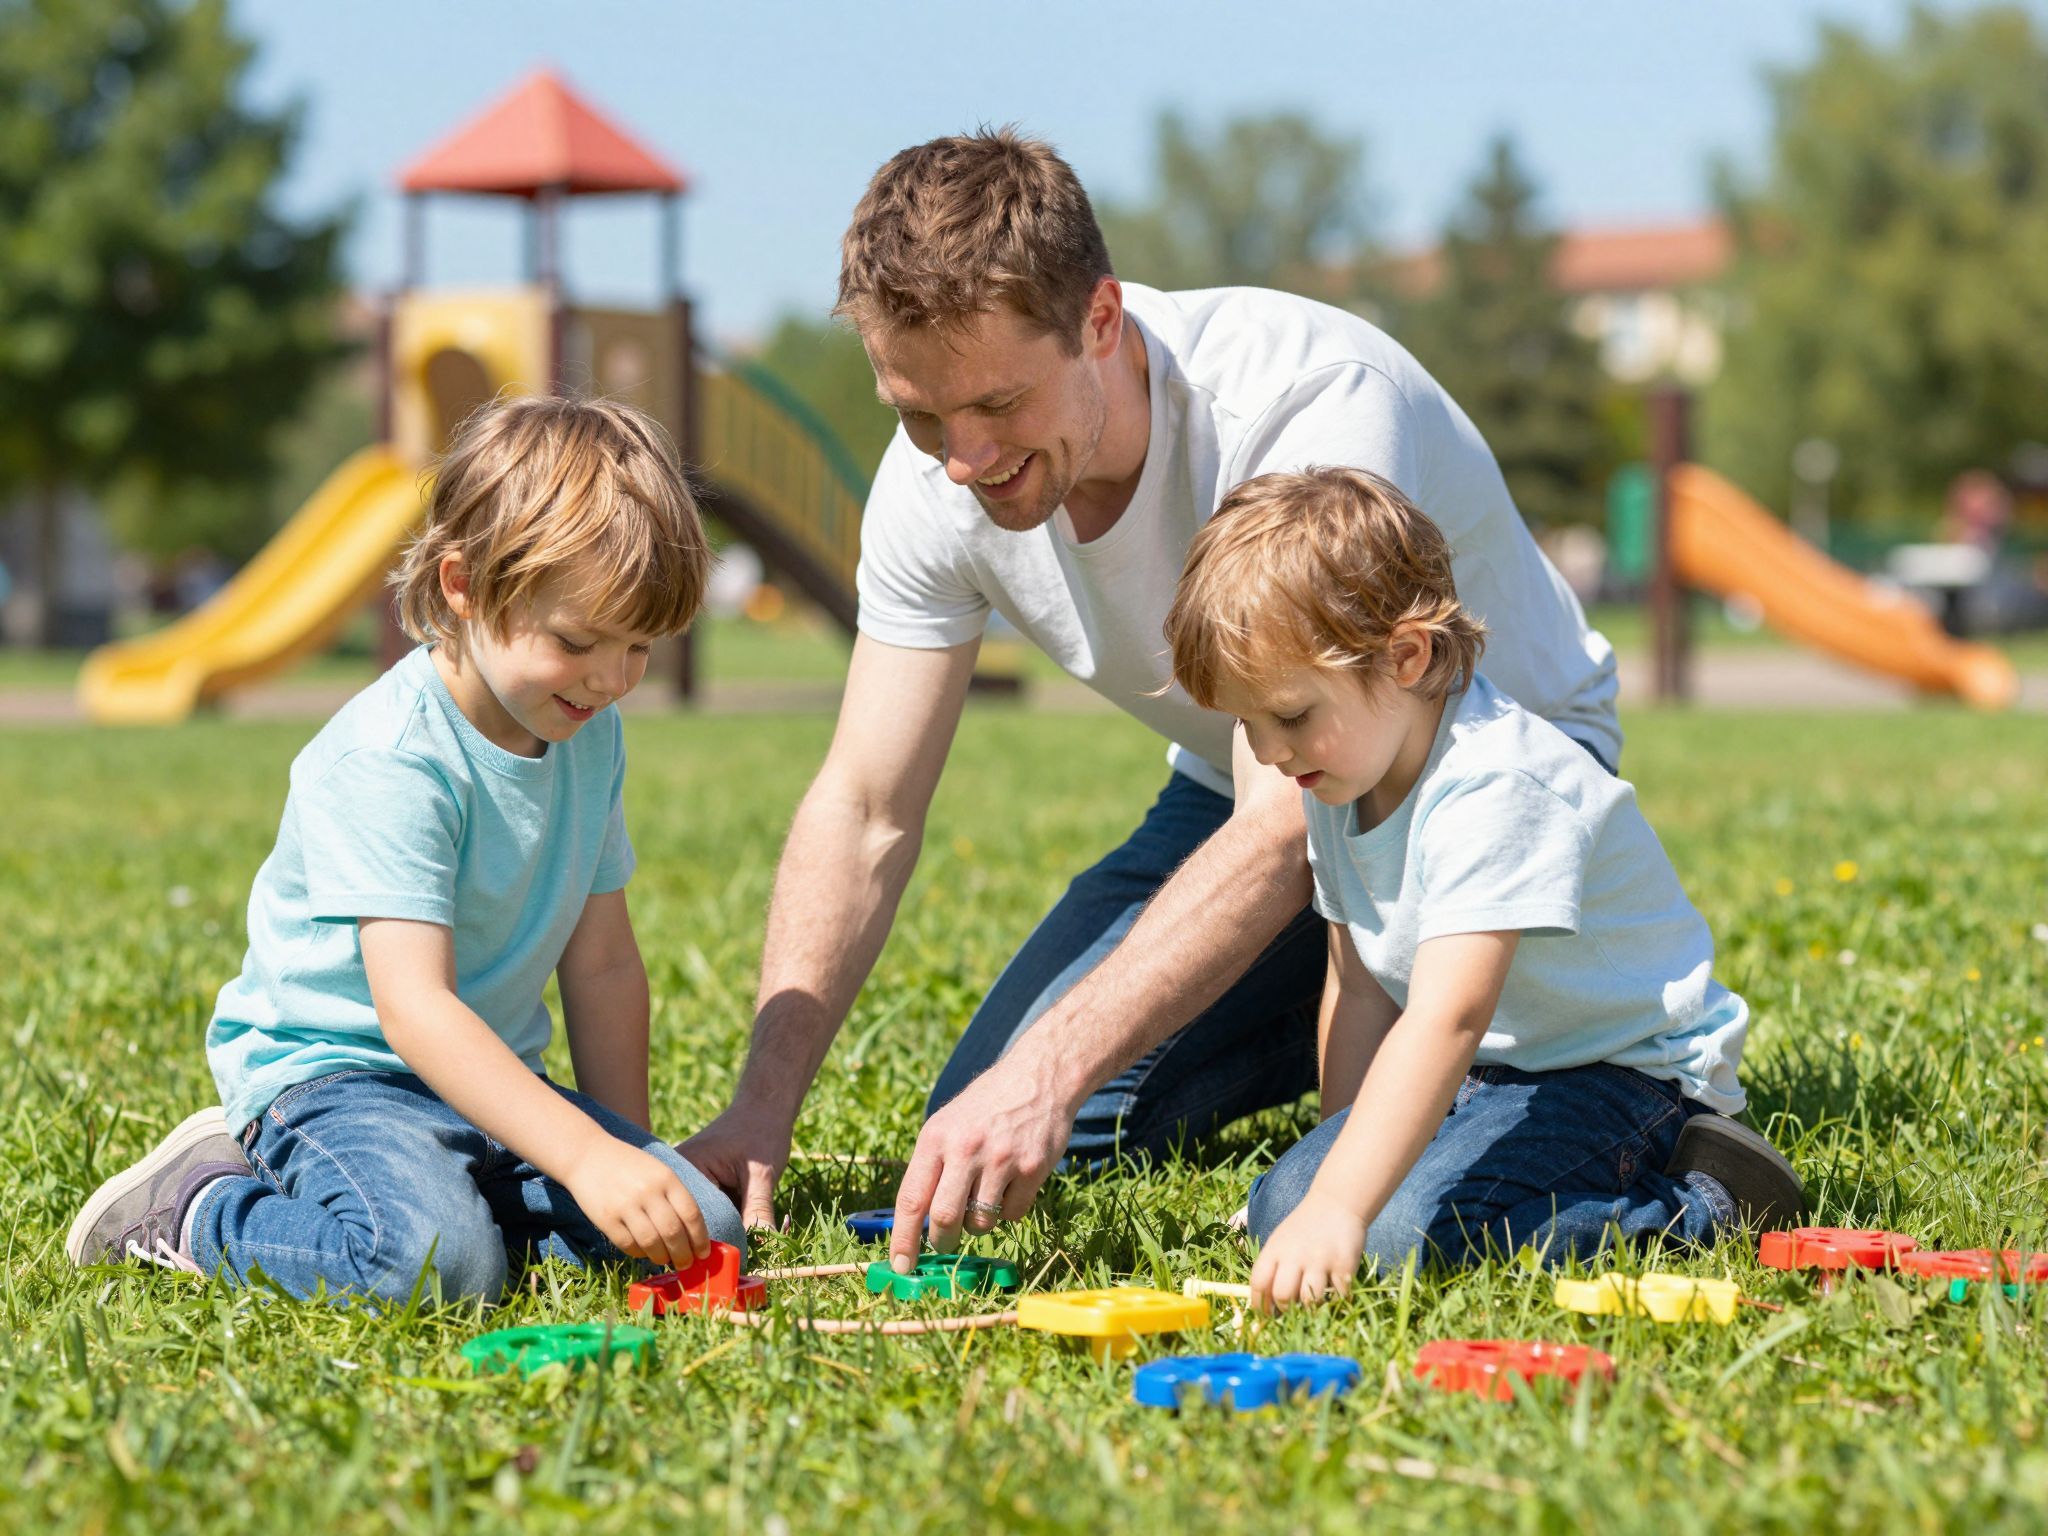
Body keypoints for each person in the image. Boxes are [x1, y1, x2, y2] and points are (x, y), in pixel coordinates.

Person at [682, 128, 1630, 1271]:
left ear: (1100, 319)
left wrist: (1053, 1067)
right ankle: (1365, 1054)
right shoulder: (930, 481)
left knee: (1046, 1088)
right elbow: (865, 806)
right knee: (987, 1120)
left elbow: (1289, 819)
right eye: (919, 414)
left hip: (1473, 789)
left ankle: (1514, 1067)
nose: (962, 461)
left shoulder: (1305, 406)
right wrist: (760, 1108)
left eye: (996, 403)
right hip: (1250, 780)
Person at [66, 396, 743, 1302]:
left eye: (640, 648)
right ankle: (197, 1207)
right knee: (434, 1267)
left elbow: (605, 966)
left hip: (492, 1082)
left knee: (706, 1229)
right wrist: (584, 1158)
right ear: (464, 586)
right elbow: (415, 1010)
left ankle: (461, 1206)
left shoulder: (588, 732)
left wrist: (628, 1160)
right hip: (340, 1082)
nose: (612, 680)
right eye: (578, 640)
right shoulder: (391, 757)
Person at [1160, 466, 1804, 1308]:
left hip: (1621, 1073)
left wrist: (1345, 1206)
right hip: (1493, 1072)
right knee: (1288, 1202)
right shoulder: (1338, 773)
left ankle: (1705, 1204)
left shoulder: (1497, 786)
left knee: (1404, 1236)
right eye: (1246, 723)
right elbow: (1359, 987)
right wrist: (1327, 1172)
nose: (1268, 753)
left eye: (1288, 715)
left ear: (1405, 656)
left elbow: (1447, 1017)